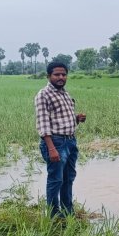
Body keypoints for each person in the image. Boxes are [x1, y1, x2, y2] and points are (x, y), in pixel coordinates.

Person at [35, 62, 86, 218]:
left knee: (68, 178)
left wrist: (76, 119)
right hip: (56, 143)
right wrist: (51, 148)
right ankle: (53, 214)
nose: (61, 77)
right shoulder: (44, 95)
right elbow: (43, 124)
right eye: (57, 74)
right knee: (56, 180)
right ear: (49, 76)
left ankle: (67, 211)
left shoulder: (64, 93)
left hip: (70, 141)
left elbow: (61, 120)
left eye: (63, 74)